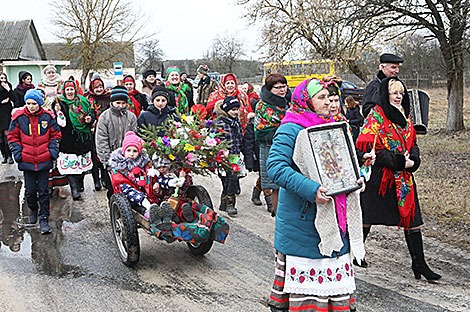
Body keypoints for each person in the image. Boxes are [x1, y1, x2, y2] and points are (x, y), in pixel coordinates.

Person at [266, 78, 366, 312]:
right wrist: (311, 191)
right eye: (321, 97)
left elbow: (341, 162)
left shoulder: (333, 125)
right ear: (306, 101)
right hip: (304, 222)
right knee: (309, 301)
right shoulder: (291, 128)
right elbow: (276, 167)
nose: (328, 102)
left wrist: (357, 177)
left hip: (335, 220)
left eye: (329, 97)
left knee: (335, 297)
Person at [357, 77, 441, 281]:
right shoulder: (375, 117)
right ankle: (355, 254)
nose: (398, 97)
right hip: (380, 178)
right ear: (385, 96)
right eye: (394, 93)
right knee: (366, 219)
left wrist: (414, 160)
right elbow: (367, 147)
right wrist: (397, 161)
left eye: (401, 93)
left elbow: (413, 143)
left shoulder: (405, 117)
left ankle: (419, 264)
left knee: (412, 219)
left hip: (403, 179)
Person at [7, 89, 61, 234]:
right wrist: (18, 153)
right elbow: (12, 137)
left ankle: (44, 218)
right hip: (27, 160)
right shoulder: (19, 117)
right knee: (30, 191)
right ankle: (33, 209)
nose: (31, 106)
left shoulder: (48, 116)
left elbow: (55, 135)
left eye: (34, 103)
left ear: (40, 103)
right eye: (28, 103)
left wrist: (52, 152)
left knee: (43, 191)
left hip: (44, 160)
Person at [254, 73, 291, 216]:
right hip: (270, 147)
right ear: (270, 89)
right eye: (277, 87)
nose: (282, 90)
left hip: (290, 146)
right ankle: (278, 214)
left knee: (288, 183)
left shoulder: (290, 102)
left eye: (284, 86)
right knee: (275, 184)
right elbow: (260, 129)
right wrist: (283, 132)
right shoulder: (262, 106)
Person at [53, 80, 95, 201]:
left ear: (75, 90)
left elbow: (92, 113)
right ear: (64, 91)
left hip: (83, 137)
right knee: (71, 165)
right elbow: (57, 120)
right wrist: (57, 111)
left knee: (81, 164)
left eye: (72, 89)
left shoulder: (83, 101)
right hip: (67, 139)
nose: (70, 92)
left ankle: (80, 184)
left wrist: (90, 119)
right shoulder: (58, 102)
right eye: (67, 90)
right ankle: (74, 189)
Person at [95, 86, 138, 199]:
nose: (120, 106)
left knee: (129, 187)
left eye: (123, 103)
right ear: (112, 102)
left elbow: (134, 137)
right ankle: (114, 210)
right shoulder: (105, 117)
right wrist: (107, 160)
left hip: (128, 158)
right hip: (110, 159)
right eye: (118, 103)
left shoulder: (131, 117)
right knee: (112, 188)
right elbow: (101, 140)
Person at [108, 131, 160, 220]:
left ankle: (164, 212)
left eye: (135, 151)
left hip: (146, 193)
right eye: (128, 150)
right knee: (136, 203)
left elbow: (150, 176)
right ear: (124, 150)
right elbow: (119, 183)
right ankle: (149, 213)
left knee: (158, 193)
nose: (131, 154)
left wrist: (155, 184)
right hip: (129, 196)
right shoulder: (118, 167)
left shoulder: (143, 163)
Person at [214, 96, 243, 217]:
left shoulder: (236, 122)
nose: (235, 112)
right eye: (233, 110)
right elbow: (214, 140)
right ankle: (227, 203)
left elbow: (239, 137)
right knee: (227, 180)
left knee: (233, 179)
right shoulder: (219, 123)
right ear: (226, 110)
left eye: (237, 109)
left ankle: (228, 203)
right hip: (223, 157)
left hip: (235, 156)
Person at [85, 77, 111, 191]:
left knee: (104, 154)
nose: (99, 89)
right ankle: (96, 180)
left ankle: (105, 179)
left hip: (107, 130)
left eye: (101, 87)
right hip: (93, 131)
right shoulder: (88, 99)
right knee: (94, 156)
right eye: (96, 87)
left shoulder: (108, 98)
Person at [362, 53, 403, 118]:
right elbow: (366, 110)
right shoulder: (374, 86)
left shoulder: (398, 84)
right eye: (393, 67)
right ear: (382, 67)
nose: (397, 71)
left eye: (398, 68)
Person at [0, 73, 14, 164]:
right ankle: (4, 155)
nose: (3, 80)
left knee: (7, 136)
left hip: (6, 113)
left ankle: (9, 156)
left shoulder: (8, 85)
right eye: (1, 78)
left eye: (4, 78)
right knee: (0, 138)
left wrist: (8, 89)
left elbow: (14, 98)